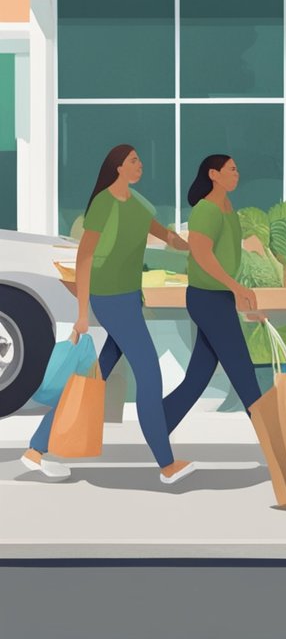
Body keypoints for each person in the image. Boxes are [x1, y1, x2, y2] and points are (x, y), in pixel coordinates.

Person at [22, 144, 196, 484]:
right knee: (149, 375)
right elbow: (85, 258)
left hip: (129, 298)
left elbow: (166, 237)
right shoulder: (103, 204)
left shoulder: (140, 205)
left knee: (94, 376)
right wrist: (82, 313)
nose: (140, 165)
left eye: (139, 160)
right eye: (133, 160)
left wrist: (193, 244)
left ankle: (36, 448)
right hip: (109, 298)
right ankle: (166, 463)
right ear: (117, 167)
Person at [161, 155, 264, 433]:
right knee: (244, 373)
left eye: (237, 168)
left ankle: (158, 423)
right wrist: (236, 286)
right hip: (207, 298)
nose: (237, 173)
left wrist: (238, 290)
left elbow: (226, 251)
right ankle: (275, 443)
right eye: (231, 169)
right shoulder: (205, 210)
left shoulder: (228, 207)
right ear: (213, 174)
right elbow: (202, 254)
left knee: (198, 377)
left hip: (220, 297)